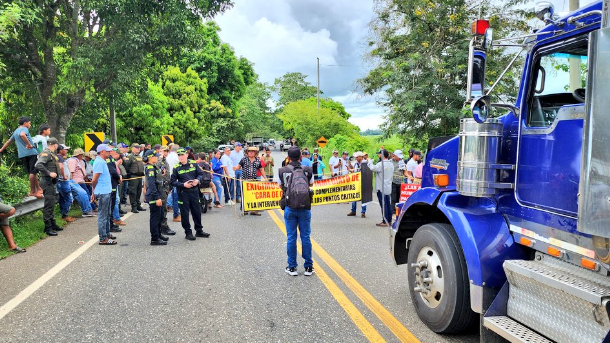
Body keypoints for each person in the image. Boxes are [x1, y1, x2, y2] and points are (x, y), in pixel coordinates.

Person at [278, 146, 315, 276]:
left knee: (291, 237)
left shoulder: (282, 170)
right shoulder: (307, 169)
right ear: (300, 157)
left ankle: (292, 267)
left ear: (288, 157)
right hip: (305, 207)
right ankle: (308, 267)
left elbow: (280, 186)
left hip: (289, 206)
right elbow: (311, 184)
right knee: (305, 236)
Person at [170, 148, 210, 240]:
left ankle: (199, 231)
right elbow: (172, 182)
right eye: (179, 155)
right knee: (184, 214)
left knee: (197, 212)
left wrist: (197, 180)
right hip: (183, 193)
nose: (181, 157)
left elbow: (200, 174)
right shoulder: (176, 168)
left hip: (194, 191)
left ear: (187, 155)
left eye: (182, 155)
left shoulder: (194, 163)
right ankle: (188, 232)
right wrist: (183, 185)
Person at [0, 116, 42, 198]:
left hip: (22, 155)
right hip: (31, 153)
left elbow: (8, 142)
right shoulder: (24, 129)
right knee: (33, 172)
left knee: (32, 173)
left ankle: (38, 189)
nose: (30, 124)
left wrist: (1, 149)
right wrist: (29, 144)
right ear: (25, 123)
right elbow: (22, 135)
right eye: (29, 123)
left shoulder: (15, 131)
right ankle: (33, 191)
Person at [34, 137, 63, 236]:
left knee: (52, 203)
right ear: (55, 144)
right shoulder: (46, 153)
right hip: (47, 181)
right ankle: (48, 227)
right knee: (48, 204)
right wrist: (49, 173)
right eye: (57, 145)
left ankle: (52, 223)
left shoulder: (51, 154)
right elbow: (38, 165)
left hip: (51, 181)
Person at [91, 144, 117, 245]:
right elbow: (94, 179)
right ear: (102, 151)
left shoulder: (102, 161)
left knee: (107, 214)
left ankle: (106, 234)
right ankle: (103, 238)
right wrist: (93, 191)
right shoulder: (99, 162)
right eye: (107, 151)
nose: (109, 152)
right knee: (102, 215)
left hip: (106, 191)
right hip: (102, 192)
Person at [143, 150, 168, 245]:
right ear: (150, 157)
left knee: (160, 216)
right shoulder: (150, 168)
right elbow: (152, 184)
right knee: (155, 218)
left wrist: (161, 174)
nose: (157, 157)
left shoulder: (154, 167)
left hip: (158, 194)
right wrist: (157, 198)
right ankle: (154, 239)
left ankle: (158, 234)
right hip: (154, 196)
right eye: (155, 156)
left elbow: (156, 179)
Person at [236, 146, 267, 216]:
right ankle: (244, 209)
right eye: (249, 151)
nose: (251, 153)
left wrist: (265, 178)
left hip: (254, 180)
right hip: (245, 180)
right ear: (247, 152)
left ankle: (254, 210)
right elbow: (238, 167)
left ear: (255, 153)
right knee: (244, 195)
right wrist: (234, 168)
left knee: (254, 195)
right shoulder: (243, 159)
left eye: (253, 151)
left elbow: (261, 169)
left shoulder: (258, 160)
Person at [367, 149, 394, 227]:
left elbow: (372, 168)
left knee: (383, 204)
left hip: (381, 187)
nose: (378, 156)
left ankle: (384, 221)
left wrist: (370, 161)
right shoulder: (390, 164)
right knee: (388, 204)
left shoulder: (381, 164)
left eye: (379, 154)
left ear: (382, 155)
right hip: (388, 187)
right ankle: (389, 220)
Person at [157, 146, 176, 235]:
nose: (165, 152)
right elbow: (157, 170)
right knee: (162, 208)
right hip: (161, 187)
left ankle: (162, 226)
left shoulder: (165, 160)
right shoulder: (158, 160)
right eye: (164, 151)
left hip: (166, 186)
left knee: (163, 208)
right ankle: (163, 227)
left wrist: (169, 186)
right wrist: (160, 158)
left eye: (167, 151)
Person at [124, 143, 146, 213]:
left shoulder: (139, 156)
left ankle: (138, 205)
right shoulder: (130, 156)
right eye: (136, 147)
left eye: (139, 147)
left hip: (139, 176)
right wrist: (129, 174)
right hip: (133, 176)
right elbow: (126, 166)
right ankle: (134, 206)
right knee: (133, 192)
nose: (138, 149)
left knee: (139, 191)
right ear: (132, 148)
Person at [106, 147, 123, 232]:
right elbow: (112, 171)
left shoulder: (111, 158)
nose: (112, 151)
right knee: (110, 206)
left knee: (112, 205)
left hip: (113, 183)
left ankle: (111, 224)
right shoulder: (108, 159)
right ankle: (110, 225)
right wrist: (118, 177)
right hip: (111, 183)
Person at [347, 152, 367, 218]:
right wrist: (350, 170)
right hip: (356, 182)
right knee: (354, 196)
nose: (356, 158)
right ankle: (353, 211)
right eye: (355, 157)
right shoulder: (355, 163)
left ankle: (363, 212)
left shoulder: (365, 163)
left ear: (361, 157)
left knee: (364, 197)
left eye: (357, 157)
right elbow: (354, 172)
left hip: (363, 181)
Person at [166, 144, 181, 222]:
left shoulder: (168, 157)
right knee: (176, 197)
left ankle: (169, 206)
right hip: (176, 179)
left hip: (168, 178)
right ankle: (176, 215)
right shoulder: (177, 157)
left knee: (171, 194)